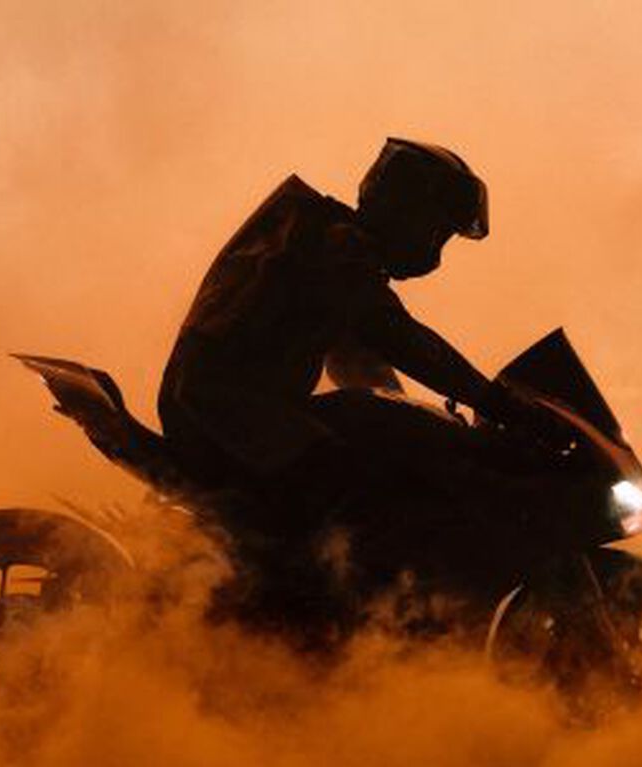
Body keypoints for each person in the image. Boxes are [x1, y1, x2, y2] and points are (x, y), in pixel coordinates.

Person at [158, 138, 525, 535]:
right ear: (408, 210)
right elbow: (397, 337)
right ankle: (324, 592)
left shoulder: (319, 234)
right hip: (226, 414)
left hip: (220, 410)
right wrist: (500, 403)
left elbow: (357, 362)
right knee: (365, 493)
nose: (435, 248)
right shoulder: (336, 246)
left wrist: (427, 420)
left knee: (380, 451)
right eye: (436, 231)